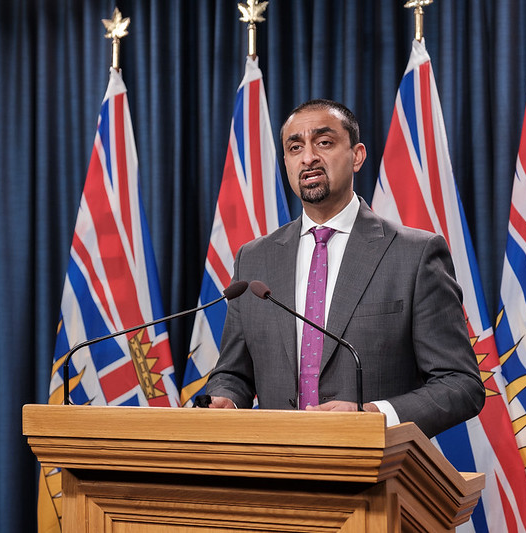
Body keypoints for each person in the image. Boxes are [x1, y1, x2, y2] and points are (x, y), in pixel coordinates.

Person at [204, 99, 484, 437]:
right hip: (276, 470)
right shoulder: (254, 258)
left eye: (324, 142)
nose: (308, 157)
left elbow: (461, 384)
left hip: (374, 471)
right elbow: (234, 373)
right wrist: (227, 400)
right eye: (295, 147)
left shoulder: (414, 254)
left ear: (357, 156)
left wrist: (372, 415)